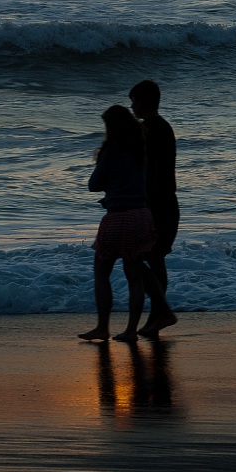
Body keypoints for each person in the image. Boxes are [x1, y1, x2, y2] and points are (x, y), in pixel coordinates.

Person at [79, 104, 173, 343]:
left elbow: (93, 183)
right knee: (134, 272)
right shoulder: (141, 149)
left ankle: (102, 327)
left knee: (102, 271)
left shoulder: (112, 150)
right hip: (141, 214)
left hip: (118, 215)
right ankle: (131, 330)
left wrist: (110, 187)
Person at [129, 79, 179, 336]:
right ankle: (157, 317)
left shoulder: (149, 129)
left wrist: (144, 203)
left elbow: (153, 171)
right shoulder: (163, 127)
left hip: (157, 204)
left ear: (143, 101)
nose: (131, 106)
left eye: (133, 101)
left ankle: (160, 313)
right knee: (154, 259)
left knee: (140, 260)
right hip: (167, 202)